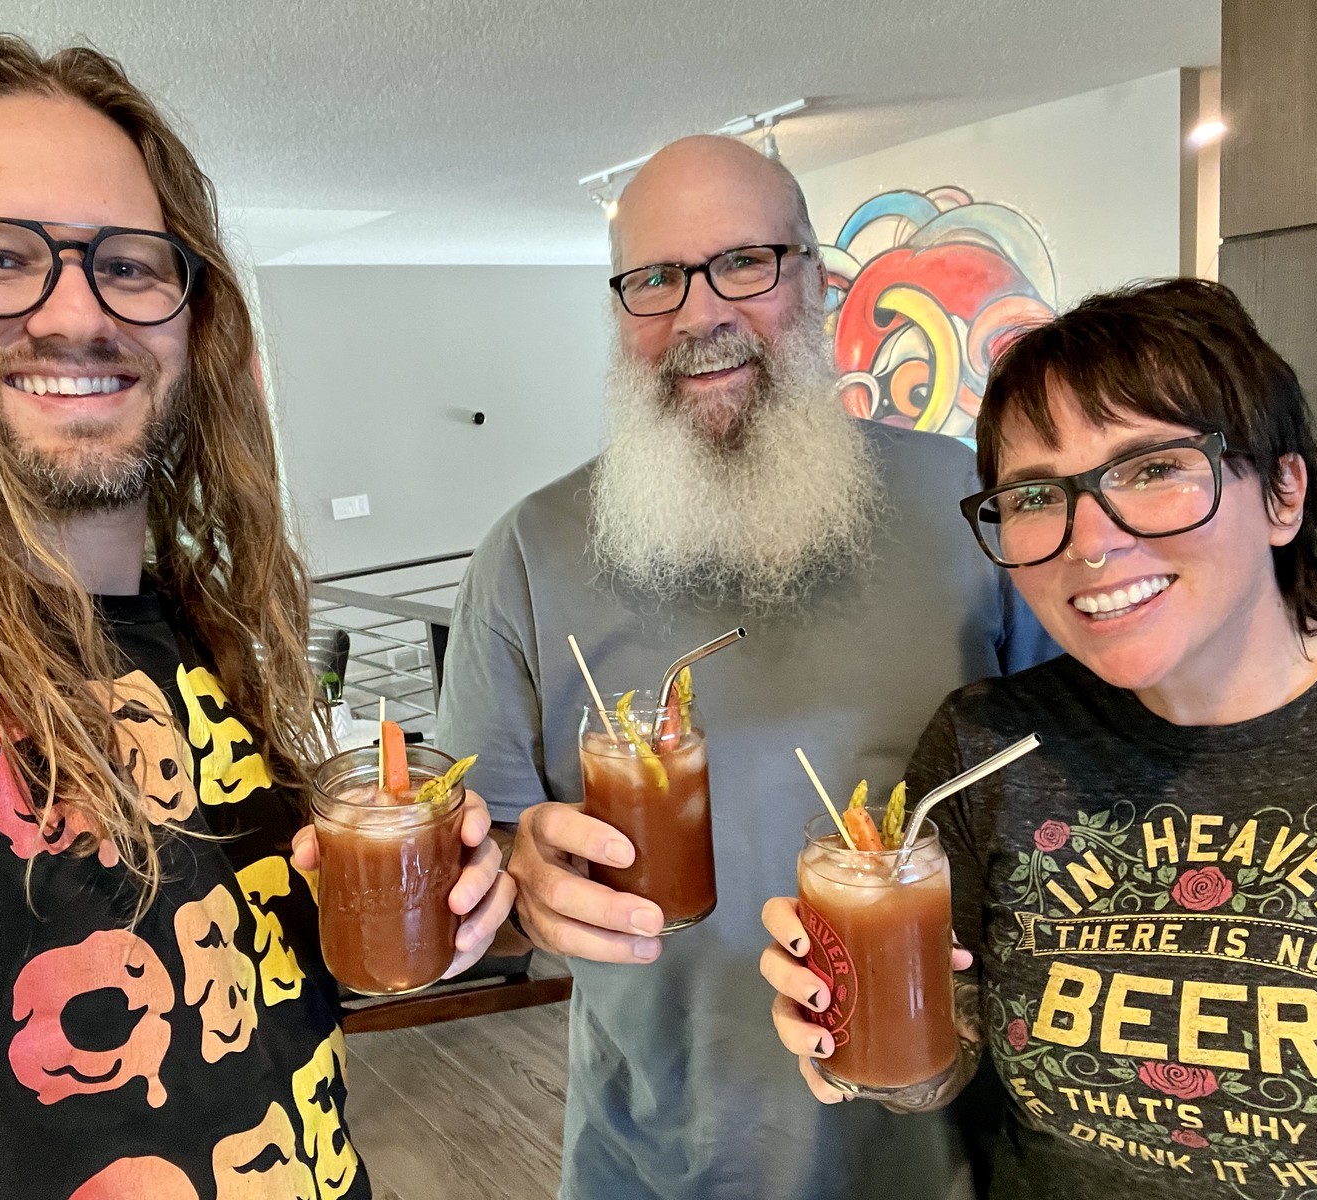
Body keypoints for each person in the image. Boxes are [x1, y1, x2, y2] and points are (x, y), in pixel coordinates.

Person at [0, 35, 512, 1199]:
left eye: (129, 264)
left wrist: (418, 914)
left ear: (192, 315)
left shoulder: (194, 624)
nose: (77, 309)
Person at [436, 134, 1054, 1200]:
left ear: (816, 281)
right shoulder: (529, 552)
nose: (699, 313)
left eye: (743, 263)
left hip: (954, 1156)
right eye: (655, 279)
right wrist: (519, 881)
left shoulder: (969, 505)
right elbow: (474, 854)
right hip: (654, 1163)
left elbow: (1079, 798)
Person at [762, 278, 1317, 1198]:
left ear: (1282, 494)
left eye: (1152, 468)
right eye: (1034, 495)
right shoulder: (986, 746)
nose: (1089, 541)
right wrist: (854, 1025)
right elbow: (940, 1064)